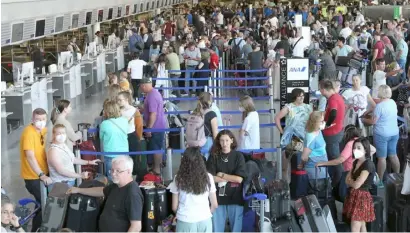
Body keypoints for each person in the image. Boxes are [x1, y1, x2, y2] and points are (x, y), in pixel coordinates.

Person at [67, 156, 143, 232]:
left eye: (118, 171)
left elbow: (136, 227)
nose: (113, 174)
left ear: (129, 171)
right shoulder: (116, 185)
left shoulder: (133, 194)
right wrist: (79, 190)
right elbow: (101, 191)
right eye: (112, 170)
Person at [169, 147, 218, 232]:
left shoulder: (178, 178)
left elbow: (174, 207)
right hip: (205, 220)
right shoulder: (208, 177)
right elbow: (215, 204)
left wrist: (180, 215)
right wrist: (207, 213)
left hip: (185, 220)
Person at [207, 130, 246, 232]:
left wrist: (221, 174)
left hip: (235, 197)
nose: (224, 143)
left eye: (227, 140)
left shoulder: (238, 156)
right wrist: (229, 178)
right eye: (222, 141)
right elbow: (210, 178)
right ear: (219, 142)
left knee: (236, 229)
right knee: (217, 229)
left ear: (231, 141)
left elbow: (239, 179)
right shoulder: (213, 156)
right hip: (218, 198)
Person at [20, 108, 52, 232]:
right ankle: (36, 229)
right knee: (45, 203)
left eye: (43, 119)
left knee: (42, 202)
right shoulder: (28, 133)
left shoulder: (43, 130)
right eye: (38, 120)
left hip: (43, 173)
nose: (41, 122)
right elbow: (30, 156)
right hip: (33, 176)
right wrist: (41, 174)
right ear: (32, 120)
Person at [362, 85, 401, 186]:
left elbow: (373, 122)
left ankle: (379, 181)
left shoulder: (379, 107)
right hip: (394, 132)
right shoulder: (392, 102)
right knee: (393, 155)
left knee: (382, 158)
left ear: (381, 93)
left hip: (382, 134)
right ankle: (398, 177)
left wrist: (363, 119)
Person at [47, 124, 100, 190]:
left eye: (63, 133)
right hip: (60, 185)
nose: (61, 135)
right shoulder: (53, 150)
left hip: (69, 182)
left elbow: (73, 159)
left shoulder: (63, 145)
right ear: (53, 135)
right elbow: (61, 171)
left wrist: (89, 162)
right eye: (59, 133)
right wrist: (80, 175)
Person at [274, 88, 312, 180]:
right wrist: (282, 131)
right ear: (295, 97)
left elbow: (312, 121)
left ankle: (301, 181)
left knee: (302, 161)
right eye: (299, 96)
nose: (302, 98)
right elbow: (277, 118)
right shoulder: (289, 107)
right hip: (291, 138)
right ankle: (286, 182)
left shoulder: (308, 107)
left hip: (305, 137)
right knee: (288, 162)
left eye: (303, 96)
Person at [343, 137, 376, 232]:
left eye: (358, 148)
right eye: (354, 147)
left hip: (361, 198)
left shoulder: (368, 164)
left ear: (365, 150)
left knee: (355, 227)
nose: (355, 150)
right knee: (361, 225)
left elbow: (357, 184)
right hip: (354, 196)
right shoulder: (355, 162)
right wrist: (353, 182)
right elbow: (346, 180)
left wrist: (352, 182)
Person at [319, 79, 345, 187]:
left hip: (332, 134)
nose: (320, 92)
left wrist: (327, 124)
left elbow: (333, 113)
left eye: (320, 89)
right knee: (333, 157)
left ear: (324, 90)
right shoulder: (337, 97)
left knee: (334, 158)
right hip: (336, 131)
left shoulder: (332, 99)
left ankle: (337, 184)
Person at [139, 78, 166, 175]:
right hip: (158, 125)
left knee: (156, 148)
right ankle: (155, 167)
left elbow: (153, 114)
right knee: (156, 147)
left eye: (141, 87)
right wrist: (142, 110)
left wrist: (149, 128)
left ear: (143, 85)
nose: (141, 89)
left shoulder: (151, 96)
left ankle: (156, 169)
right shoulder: (153, 93)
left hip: (156, 127)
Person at [100, 100, 129, 180]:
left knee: (112, 176)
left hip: (110, 154)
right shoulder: (124, 121)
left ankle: (113, 192)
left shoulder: (104, 124)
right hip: (124, 153)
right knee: (123, 175)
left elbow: (101, 137)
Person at [298, 111, 329, 179]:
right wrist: (302, 164)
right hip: (315, 172)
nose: (323, 123)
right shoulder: (311, 136)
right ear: (315, 123)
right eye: (321, 121)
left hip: (321, 169)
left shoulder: (318, 131)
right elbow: (304, 157)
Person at [117, 91, 143, 174]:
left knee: (133, 159)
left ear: (127, 99)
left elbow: (139, 126)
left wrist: (138, 138)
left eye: (120, 100)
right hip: (122, 137)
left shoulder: (135, 111)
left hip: (132, 136)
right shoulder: (118, 111)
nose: (118, 102)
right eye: (118, 100)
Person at [192, 92, 218, 160]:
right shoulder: (212, 114)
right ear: (209, 101)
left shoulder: (195, 113)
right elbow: (215, 134)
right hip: (207, 142)